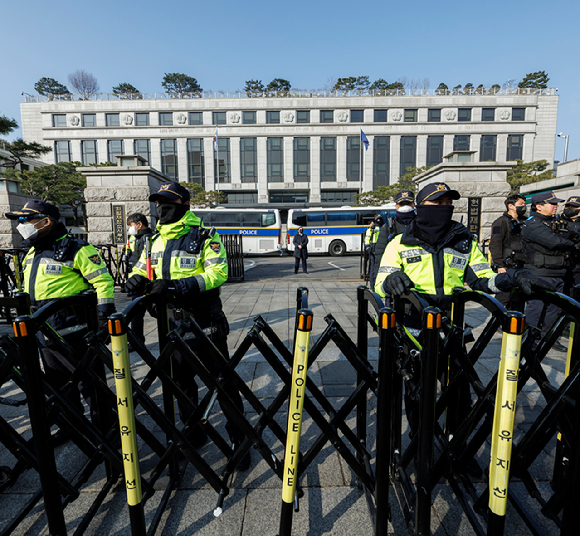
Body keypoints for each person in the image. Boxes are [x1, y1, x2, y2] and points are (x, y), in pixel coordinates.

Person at [374, 183, 550, 459]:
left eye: (448, 202)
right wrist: (391, 280)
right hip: (413, 328)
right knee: (417, 391)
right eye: (437, 202)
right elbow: (381, 282)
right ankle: (420, 444)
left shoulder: (463, 241)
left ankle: (458, 448)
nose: (444, 207)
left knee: (460, 392)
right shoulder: (399, 243)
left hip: (450, 327)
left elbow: (482, 279)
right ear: (421, 207)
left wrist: (509, 278)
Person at [124, 182, 250, 469]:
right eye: (158, 203)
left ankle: (238, 440)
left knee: (221, 382)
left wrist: (179, 286)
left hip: (203, 319)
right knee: (180, 382)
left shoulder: (204, 235)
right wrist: (137, 278)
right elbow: (143, 266)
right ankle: (192, 431)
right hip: (169, 322)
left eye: (168, 203)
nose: (161, 208)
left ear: (184, 205)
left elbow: (218, 272)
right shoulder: (153, 239)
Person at [6, 200, 116, 430]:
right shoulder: (32, 251)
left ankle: (107, 430)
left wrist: (104, 315)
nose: (21, 225)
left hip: (74, 330)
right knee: (58, 384)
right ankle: (69, 427)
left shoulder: (76, 247)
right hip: (43, 331)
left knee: (89, 383)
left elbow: (103, 281)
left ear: (46, 222)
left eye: (26, 220)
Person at [521, 192, 580, 352]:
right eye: (552, 203)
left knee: (554, 308)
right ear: (539, 206)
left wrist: (569, 238)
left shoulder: (555, 221)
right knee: (536, 307)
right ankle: (528, 339)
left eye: (556, 203)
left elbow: (573, 235)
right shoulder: (532, 223)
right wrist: (570, 240)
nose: (556, 206)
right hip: (539, 272)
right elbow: (555, 242)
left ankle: (547, 337)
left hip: (558, 272)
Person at [371, 190, 415, 291]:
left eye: (408, 203)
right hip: (393, 282)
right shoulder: (388, 227)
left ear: (414, 205)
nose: (405, 206)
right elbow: (379, 256)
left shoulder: (421, 225)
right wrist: (377, 282)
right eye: (402, 204)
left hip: (416, 281)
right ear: (396, 206)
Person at [488, 194, 528, 307]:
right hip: (507, 265)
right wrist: (499, 264)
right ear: (510, 206)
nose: (524, 207)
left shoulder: (525, 221)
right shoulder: (500, 222)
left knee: (519, 298)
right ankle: (497, 321)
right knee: (504, 297)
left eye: (524, 204)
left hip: (522, 264)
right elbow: (495, 245)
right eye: (521, 204)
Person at [125, 213, 154, 347]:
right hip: (139, 280)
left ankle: (137, 342)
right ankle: (137, 341)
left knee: (140, 312)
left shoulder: (147, 239)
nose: (130, 229)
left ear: (139, 224)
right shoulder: (137, 238)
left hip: (144, 282)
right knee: (141, 312)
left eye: (131, 226)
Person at [562, 196, 580, 294]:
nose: (570, 209)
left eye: (574, 207)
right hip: (564, 266)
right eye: (568, 207)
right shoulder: (558, 222)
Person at [364, 214, 384, 289]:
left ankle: (374, 285)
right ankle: (373, 285)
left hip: (376, 249)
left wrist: (367, 247)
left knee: (374, 268)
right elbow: (367, 239)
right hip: (375, 250)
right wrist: (368, 248)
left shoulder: (373, 229)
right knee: (374, 268)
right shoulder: (381, 228)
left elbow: (366, 240)